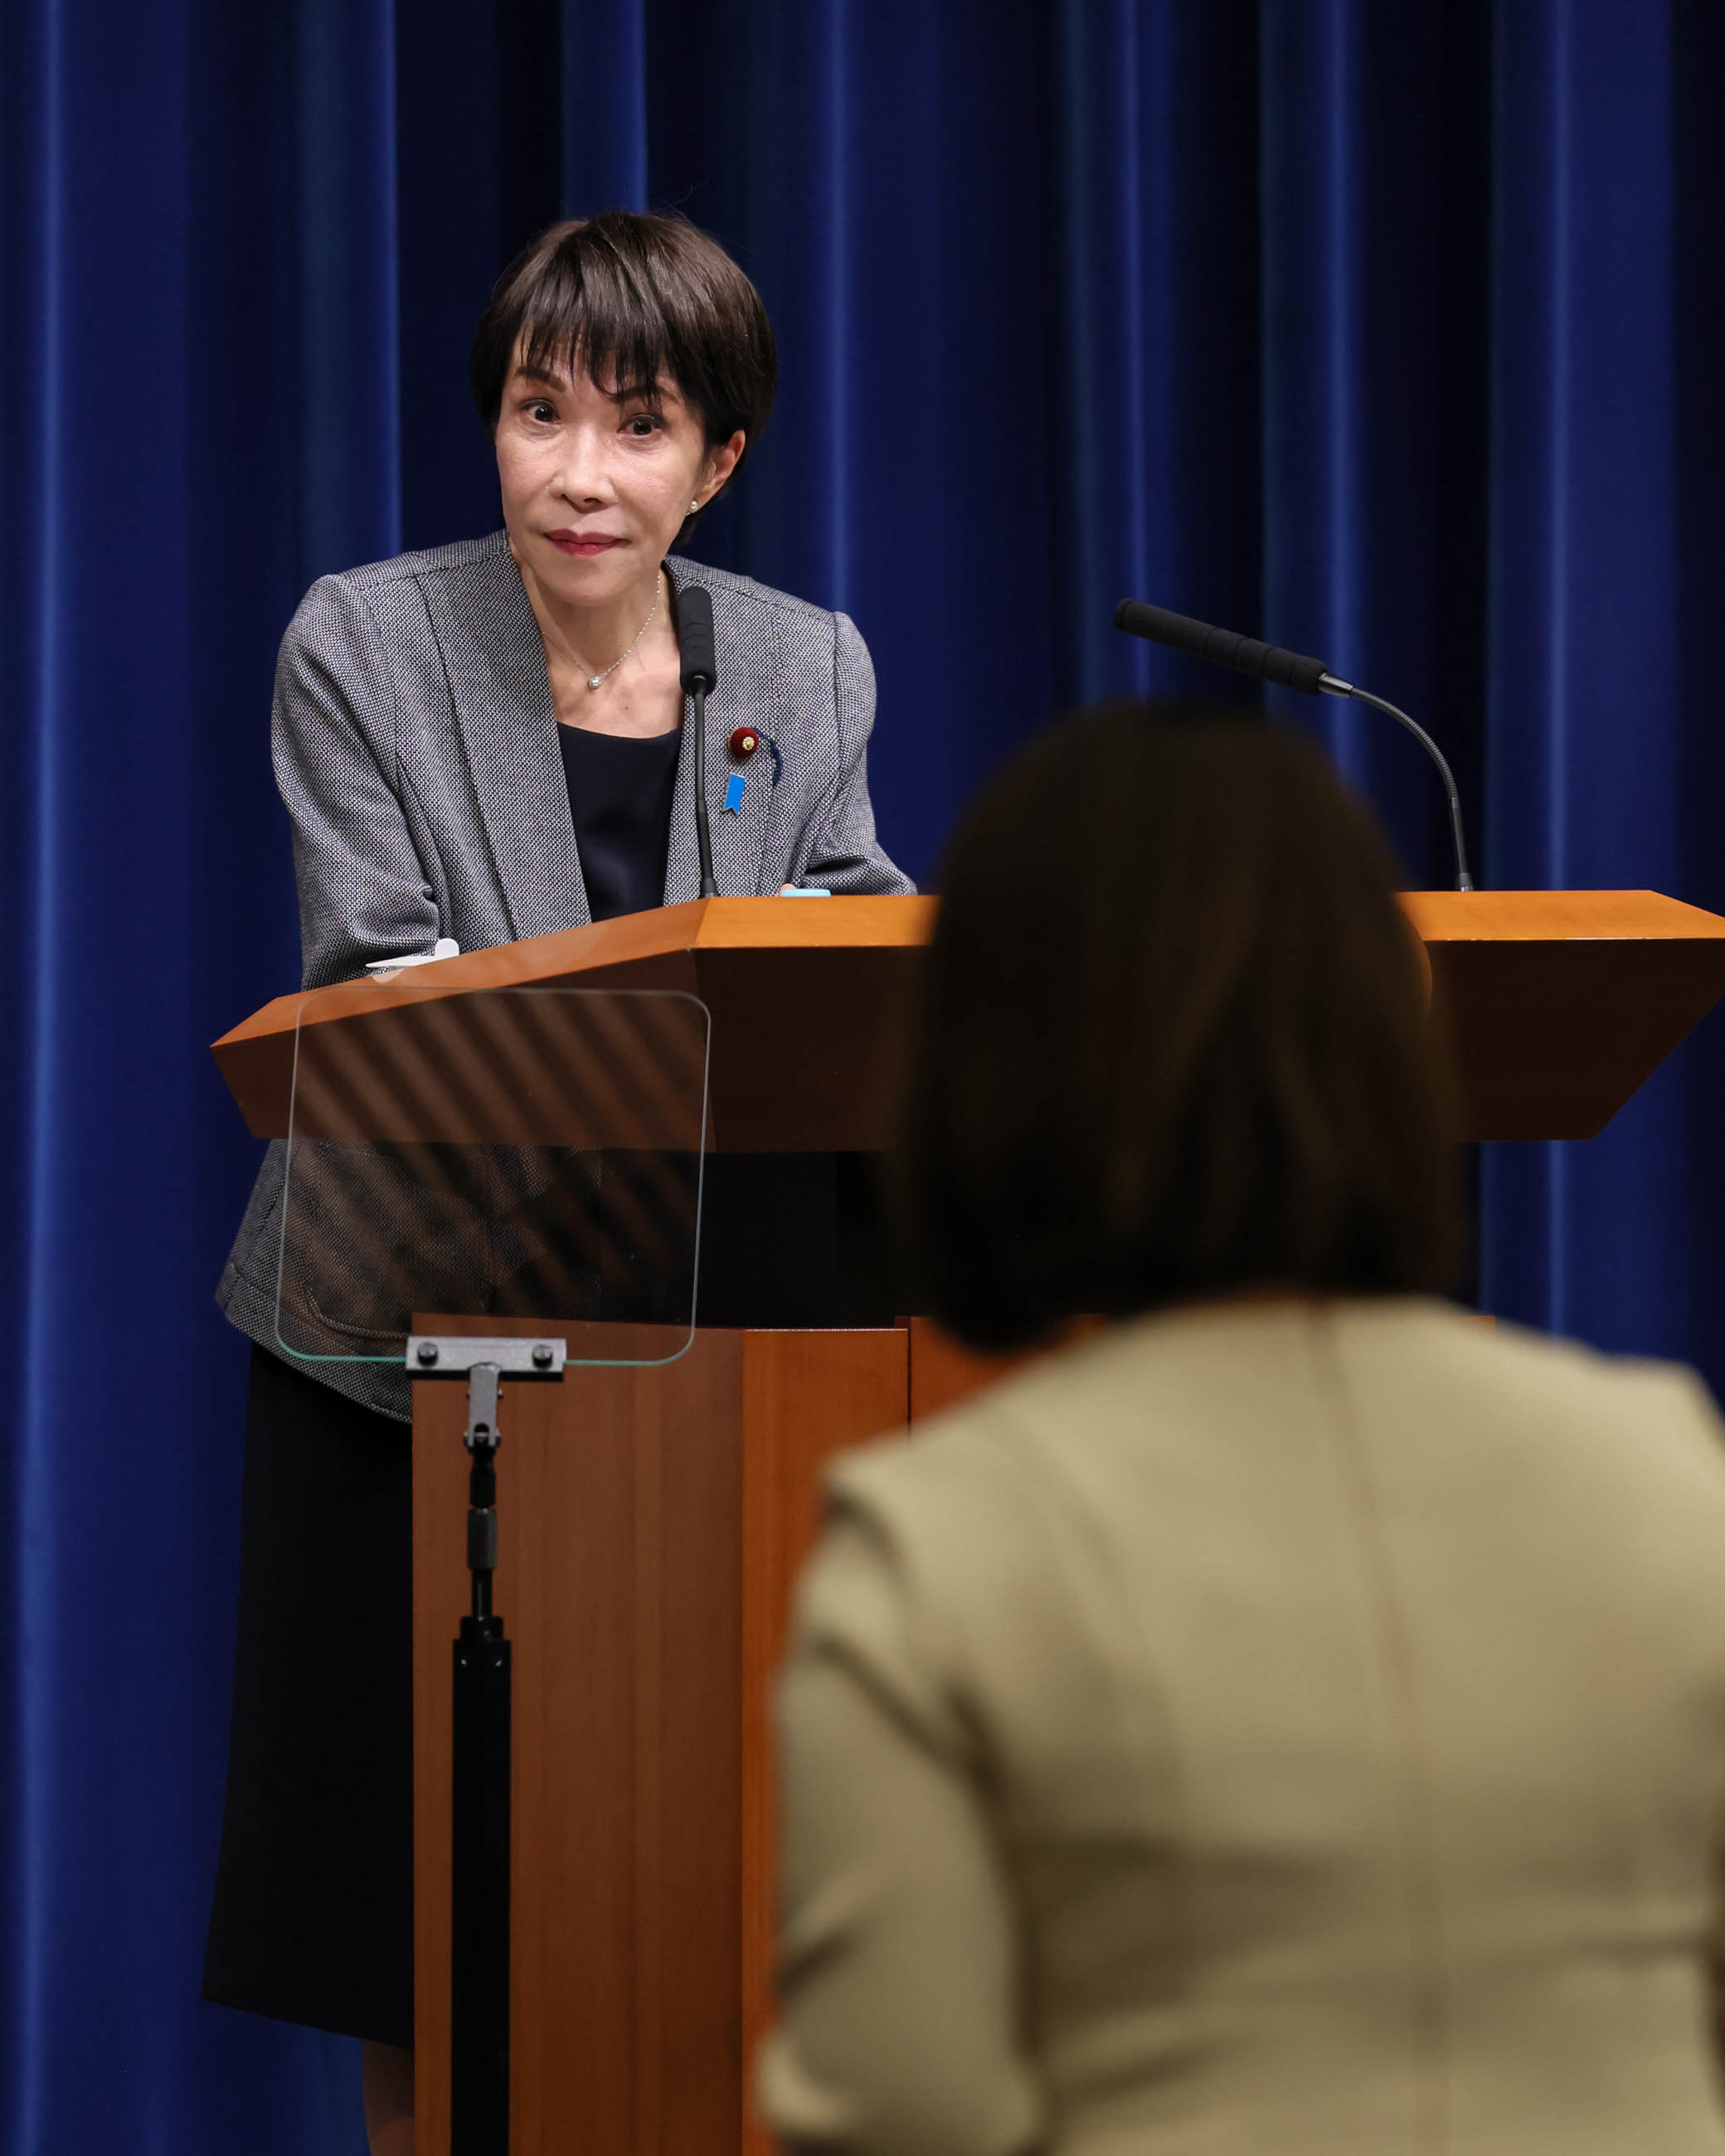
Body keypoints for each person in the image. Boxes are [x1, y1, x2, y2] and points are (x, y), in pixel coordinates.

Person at [760, 704, 1725, 2156]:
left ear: (979, 1062)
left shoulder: (939, 1548)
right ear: (1394, 1034)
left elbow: (901, 2108)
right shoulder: (1669, 1466)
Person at [202, 210, 911, 2155]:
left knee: (692, 1866)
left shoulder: (800, 662)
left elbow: (847, 930)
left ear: (721, 462)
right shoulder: (370, 640)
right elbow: (383, 979)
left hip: (706, 1363)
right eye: (536, 412)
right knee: (416, 1915)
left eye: (635, 424)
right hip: (403, 1354)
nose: (575, 472)